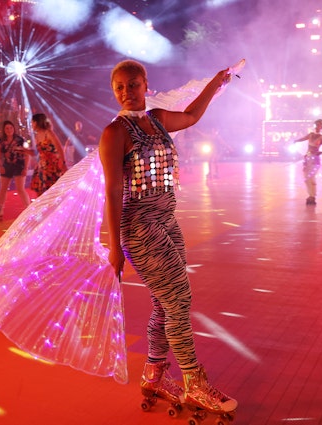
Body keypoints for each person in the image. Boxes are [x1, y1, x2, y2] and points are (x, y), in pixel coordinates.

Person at [98, 60, 237, 415]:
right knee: (178, 301)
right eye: (119, 87)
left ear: (146, 85)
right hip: (139, 227)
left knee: (165, 302)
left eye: (132, 85)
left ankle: (154, 374)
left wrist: (216, 82)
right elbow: (113, 191)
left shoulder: (158, 118)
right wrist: (115, 250)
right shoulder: (115, 133)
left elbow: (190, 116)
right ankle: (194, 383)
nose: (126, 93)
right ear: (114, 91)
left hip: (167, 221)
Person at [0, 120, 32, 221]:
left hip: (19, 165)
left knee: (20, 188)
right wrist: (0, 166)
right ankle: (0, 209)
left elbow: (27, 154)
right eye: (7, 128)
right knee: (3, 189)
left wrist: (26, 168)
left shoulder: (20, 140)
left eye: (11, 128)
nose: (9, 130)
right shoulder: (0, 141)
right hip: (7, 166)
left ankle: (28, 209)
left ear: (14, 129)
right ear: (4, 130)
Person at [29, 113, 67, 196]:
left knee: (52, 192)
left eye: (32, 122)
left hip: (52, 166)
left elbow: (59, 148)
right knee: (40, 192)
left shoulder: (48, 133)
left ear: (36, 122)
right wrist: (24, 150)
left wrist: (63, 163)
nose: (31, 124)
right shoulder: (36, 136)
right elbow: (37, 152)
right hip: (41, 166)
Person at [293, 119, 322, 205]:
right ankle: (310, 195)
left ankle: (312, 196)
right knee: (306, 177)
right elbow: (303, 139)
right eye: (316, 124)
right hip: (308, 157)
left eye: (319, 125)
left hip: (315, 159)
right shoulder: (311, 135)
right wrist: (296, 141)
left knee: (311, 177)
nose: (317, 126)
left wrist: (318, 153)